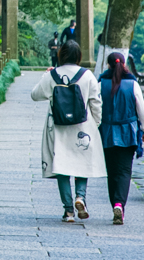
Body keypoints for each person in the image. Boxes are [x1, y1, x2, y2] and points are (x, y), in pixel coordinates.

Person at [31, 40, 106, 222]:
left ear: (61, 55)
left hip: (58, 128)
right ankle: (80, 197)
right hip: (83, 128)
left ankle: (69, 211)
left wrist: (46, 75)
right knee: (82, 164)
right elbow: (96, 102)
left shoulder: (52, 75)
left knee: (62, 168)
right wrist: (95, 123)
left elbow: (35, 95)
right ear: (79, 56)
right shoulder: (87, 76)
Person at [98, 51, 144, 225]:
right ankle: (120, 204)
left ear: (108, 65)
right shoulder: (132, 84)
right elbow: (142, 110)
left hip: (106, 132)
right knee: (124, 171)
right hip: (128, 132)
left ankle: (114, 203)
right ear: (123, 64)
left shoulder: (101, 84)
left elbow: (95, 108)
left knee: (112, 172)